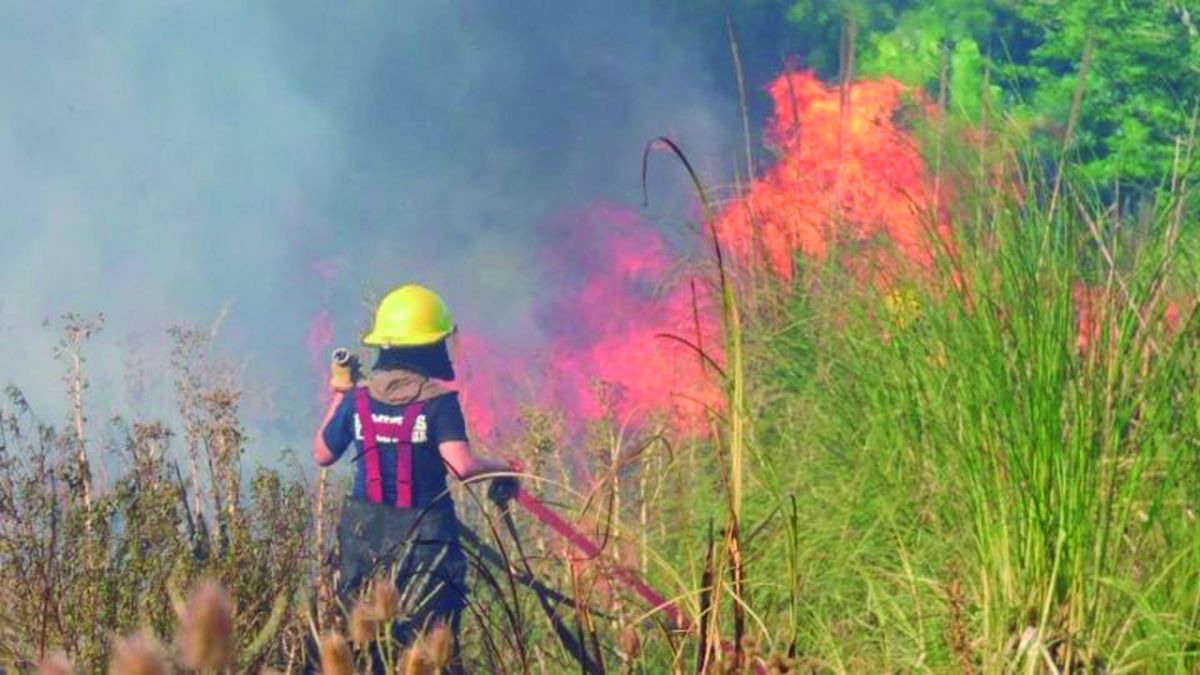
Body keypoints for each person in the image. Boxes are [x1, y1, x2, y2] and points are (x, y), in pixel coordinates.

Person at [313, 284, 515, 672]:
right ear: (429, 347)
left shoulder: (359, 398)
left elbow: (322, 453)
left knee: (367, 650)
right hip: (428, 545)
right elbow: (461, 466)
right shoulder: (438, 401)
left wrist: (340, 392)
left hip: (364, 543)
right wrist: (503, 466)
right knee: (428, 652)